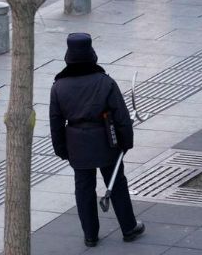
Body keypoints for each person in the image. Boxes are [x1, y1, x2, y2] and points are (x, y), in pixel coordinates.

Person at [49, 33, 145, 248]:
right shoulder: (105, 82)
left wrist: (62, 149)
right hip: (106, 141)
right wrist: (126, 143)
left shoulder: (59, 86)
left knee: (83, 188)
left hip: (76, 144)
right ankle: (129, 227)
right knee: (117, 183)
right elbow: (121, 116)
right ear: (91, 53)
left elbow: (55, 122)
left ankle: (90, 235)